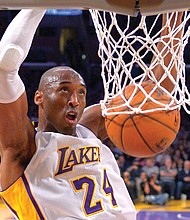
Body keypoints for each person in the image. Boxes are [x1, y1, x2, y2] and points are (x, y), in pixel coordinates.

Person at [0, 9, 183, 220]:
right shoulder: (25, 148)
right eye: (64, 90)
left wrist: (172, 22)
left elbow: (154, 97)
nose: (74, 100)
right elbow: (6, 65)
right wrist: (39, 4)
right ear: (39, 97)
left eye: (81, 92)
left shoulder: (88, 129)